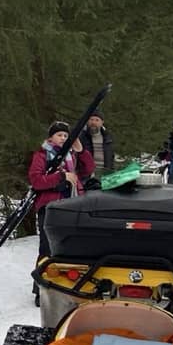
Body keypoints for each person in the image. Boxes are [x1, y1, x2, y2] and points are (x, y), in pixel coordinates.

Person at [28, 122, 95, 302]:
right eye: (59, 135)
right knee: (47, 247)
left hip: (72, 204)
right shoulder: (42, 154)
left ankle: (68, 286)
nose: (63, 139)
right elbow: (36, 180)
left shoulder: (72, 155)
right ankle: (41, 289)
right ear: (51, 137)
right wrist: (61, 176)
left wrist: (81, 151)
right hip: (50, 206)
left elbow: (88, 170)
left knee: (71, 247)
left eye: (66, 136)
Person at [78, 108, 115, 178]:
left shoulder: (108, 138)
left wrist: (110, 173)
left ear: (102, 122)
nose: (93, 123)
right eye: (91, 119)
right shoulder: (81, 137)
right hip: (86, 177)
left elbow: (111, 159)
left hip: (105, 176)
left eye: (97, 120)